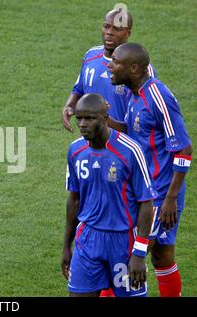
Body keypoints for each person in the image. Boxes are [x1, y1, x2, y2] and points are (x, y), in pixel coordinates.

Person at [108, 42, 193, 297]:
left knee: (131, 256)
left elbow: (184, 149)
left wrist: (170, 199)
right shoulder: (134, 94)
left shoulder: (158, 96)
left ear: (134, 68)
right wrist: (102, 120)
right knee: (162, 256)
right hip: (147, 190)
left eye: (116, 63)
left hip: (159, 195)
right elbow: (135, 134)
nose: (110, 66)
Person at [62, 93, 157, 297]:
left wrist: (139, 253)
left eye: (89, 118)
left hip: (122, 242)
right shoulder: (75, 151)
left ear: (105, 118)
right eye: (79, 118)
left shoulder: (130, 150)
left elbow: (146, 203)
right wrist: (66, 246)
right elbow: (74, 199)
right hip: (87, 240)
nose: (82, 124)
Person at [61, 8, 156, 133]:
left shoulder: (139, 67)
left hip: (123, 144)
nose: (109, 32)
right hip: (91, 141)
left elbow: (146, 113)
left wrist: (105, 120)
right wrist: (69, 106)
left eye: (116, 29)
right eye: (106, 26)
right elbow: (79, 89)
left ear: (127, 33)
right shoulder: (91, 55)